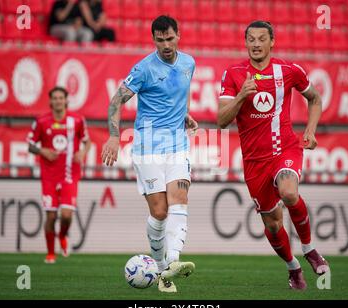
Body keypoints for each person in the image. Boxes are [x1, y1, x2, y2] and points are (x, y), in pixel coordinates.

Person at [217, 20, 330, 290]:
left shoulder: (289, 70)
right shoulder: (233, 74)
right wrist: (241, 96)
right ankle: (293, 267)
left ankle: (310, 249)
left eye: (261, 39)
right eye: (251, 39)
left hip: (285, 149)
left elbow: (314, 98)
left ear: (272, 42)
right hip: (254, 162)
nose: (256, 44)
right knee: (272, 223)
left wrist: (311, 131)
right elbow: (221, 120)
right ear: (245, 43)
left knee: (289, 192)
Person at [102, 15, 198, 293]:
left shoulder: (188, 63)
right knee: (160, 212)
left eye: (170, 38)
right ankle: (159, 269)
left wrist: (184, 115)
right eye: (160, 39)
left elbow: (175, 95)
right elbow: (117, 100)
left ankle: (173, 261)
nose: (166, 44)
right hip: (147, 149)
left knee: (180, 198)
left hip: (177, 146)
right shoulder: (144, 68)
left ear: (178, 35)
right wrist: (113, 135)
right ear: (153, 39)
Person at [27, 86, 91, 264]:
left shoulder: (77, 120)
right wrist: (42, 151)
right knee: (50, 216)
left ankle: (62, 236)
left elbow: (87, 141)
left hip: (69, 174)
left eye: (60, 98)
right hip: (49, 176)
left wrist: (83, 152)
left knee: (66, 215)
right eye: (54, 98)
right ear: (50, 101)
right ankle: (50, 253)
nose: (57, 101)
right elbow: (30, 144)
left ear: (66, 100)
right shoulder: (41, 121)